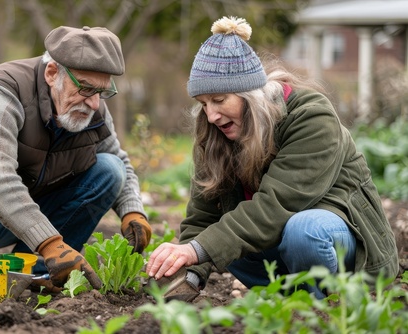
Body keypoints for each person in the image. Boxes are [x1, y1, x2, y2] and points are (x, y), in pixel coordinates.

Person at [146, 16, 399, 300]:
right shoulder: (217, 131)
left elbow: (276, 206)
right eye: (203, 104)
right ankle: (288, 301)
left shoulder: (311, 117)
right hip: (280, 244)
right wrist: (189, 274)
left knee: (304, 231)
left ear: (250, 94)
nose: (211, 115)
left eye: (219, 100)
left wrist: (196, 250)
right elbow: (203, 215)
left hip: (339, 243)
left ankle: (323, 309)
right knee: (225, 241)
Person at [0, 25, 151, 300]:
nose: (94, 103)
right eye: (85, 88)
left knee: (110, 170)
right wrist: (50, 242)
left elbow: (118, 158)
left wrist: (133, 211)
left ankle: (38, 274)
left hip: (21, 208)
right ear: (51, 74)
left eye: (102, 91)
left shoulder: (89, 104)